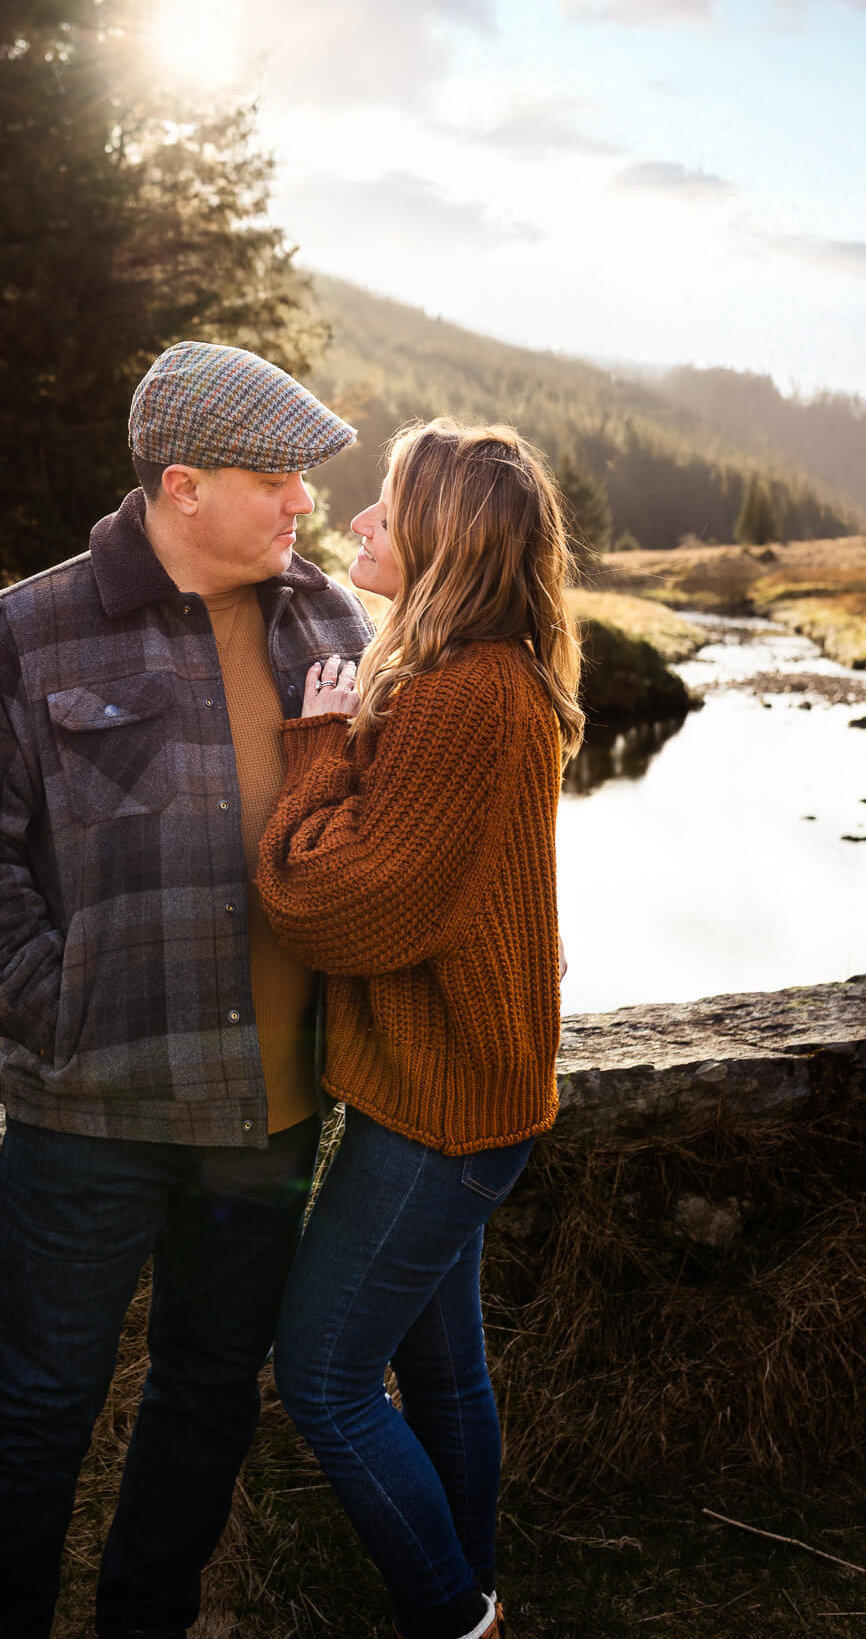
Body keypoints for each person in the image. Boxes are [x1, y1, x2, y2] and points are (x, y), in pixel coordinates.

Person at [0, 340, 372, 1639]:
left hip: (271, 1119)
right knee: (39, 1403)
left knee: (211, 1389)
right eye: (274, 477)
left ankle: (144, 1622)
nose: (301, 503)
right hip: (90, 1115)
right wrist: (49, 1007)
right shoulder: (19, 630)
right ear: (181, 486)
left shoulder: (334, 623)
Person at [256, 417, 584, 1639]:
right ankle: (478, 1586)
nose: (355, 525)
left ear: (444, 538)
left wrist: (317, 748)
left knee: (327, 1375)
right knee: (447, 1369)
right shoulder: (487, 673)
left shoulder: (462, 695)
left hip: (436, 1112)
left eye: (385, 509)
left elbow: (333, 902)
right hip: (472, 1094)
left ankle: (454, 1614)